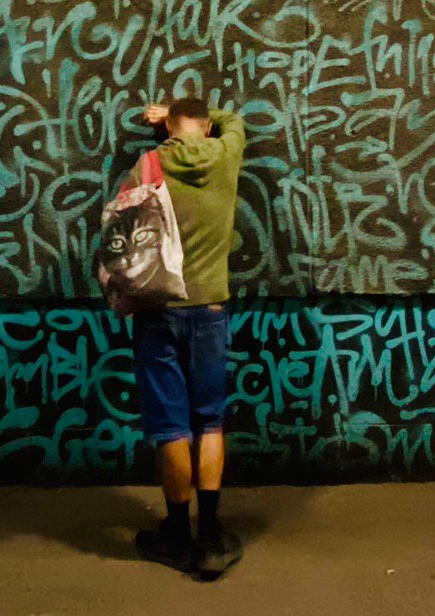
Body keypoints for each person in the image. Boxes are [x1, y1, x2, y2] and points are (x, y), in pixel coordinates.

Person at [127, 96, 246, 580]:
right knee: (210, 421)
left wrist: (164, 120)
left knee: (170, 427)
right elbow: (234, 120)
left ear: (170, 127)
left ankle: (177, 534)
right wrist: (184, 115)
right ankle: (211, 537)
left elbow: (128, 226)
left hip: (158, 307)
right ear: (207, 127)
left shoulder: (148, 164)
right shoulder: (225, 153)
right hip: (211, 307)